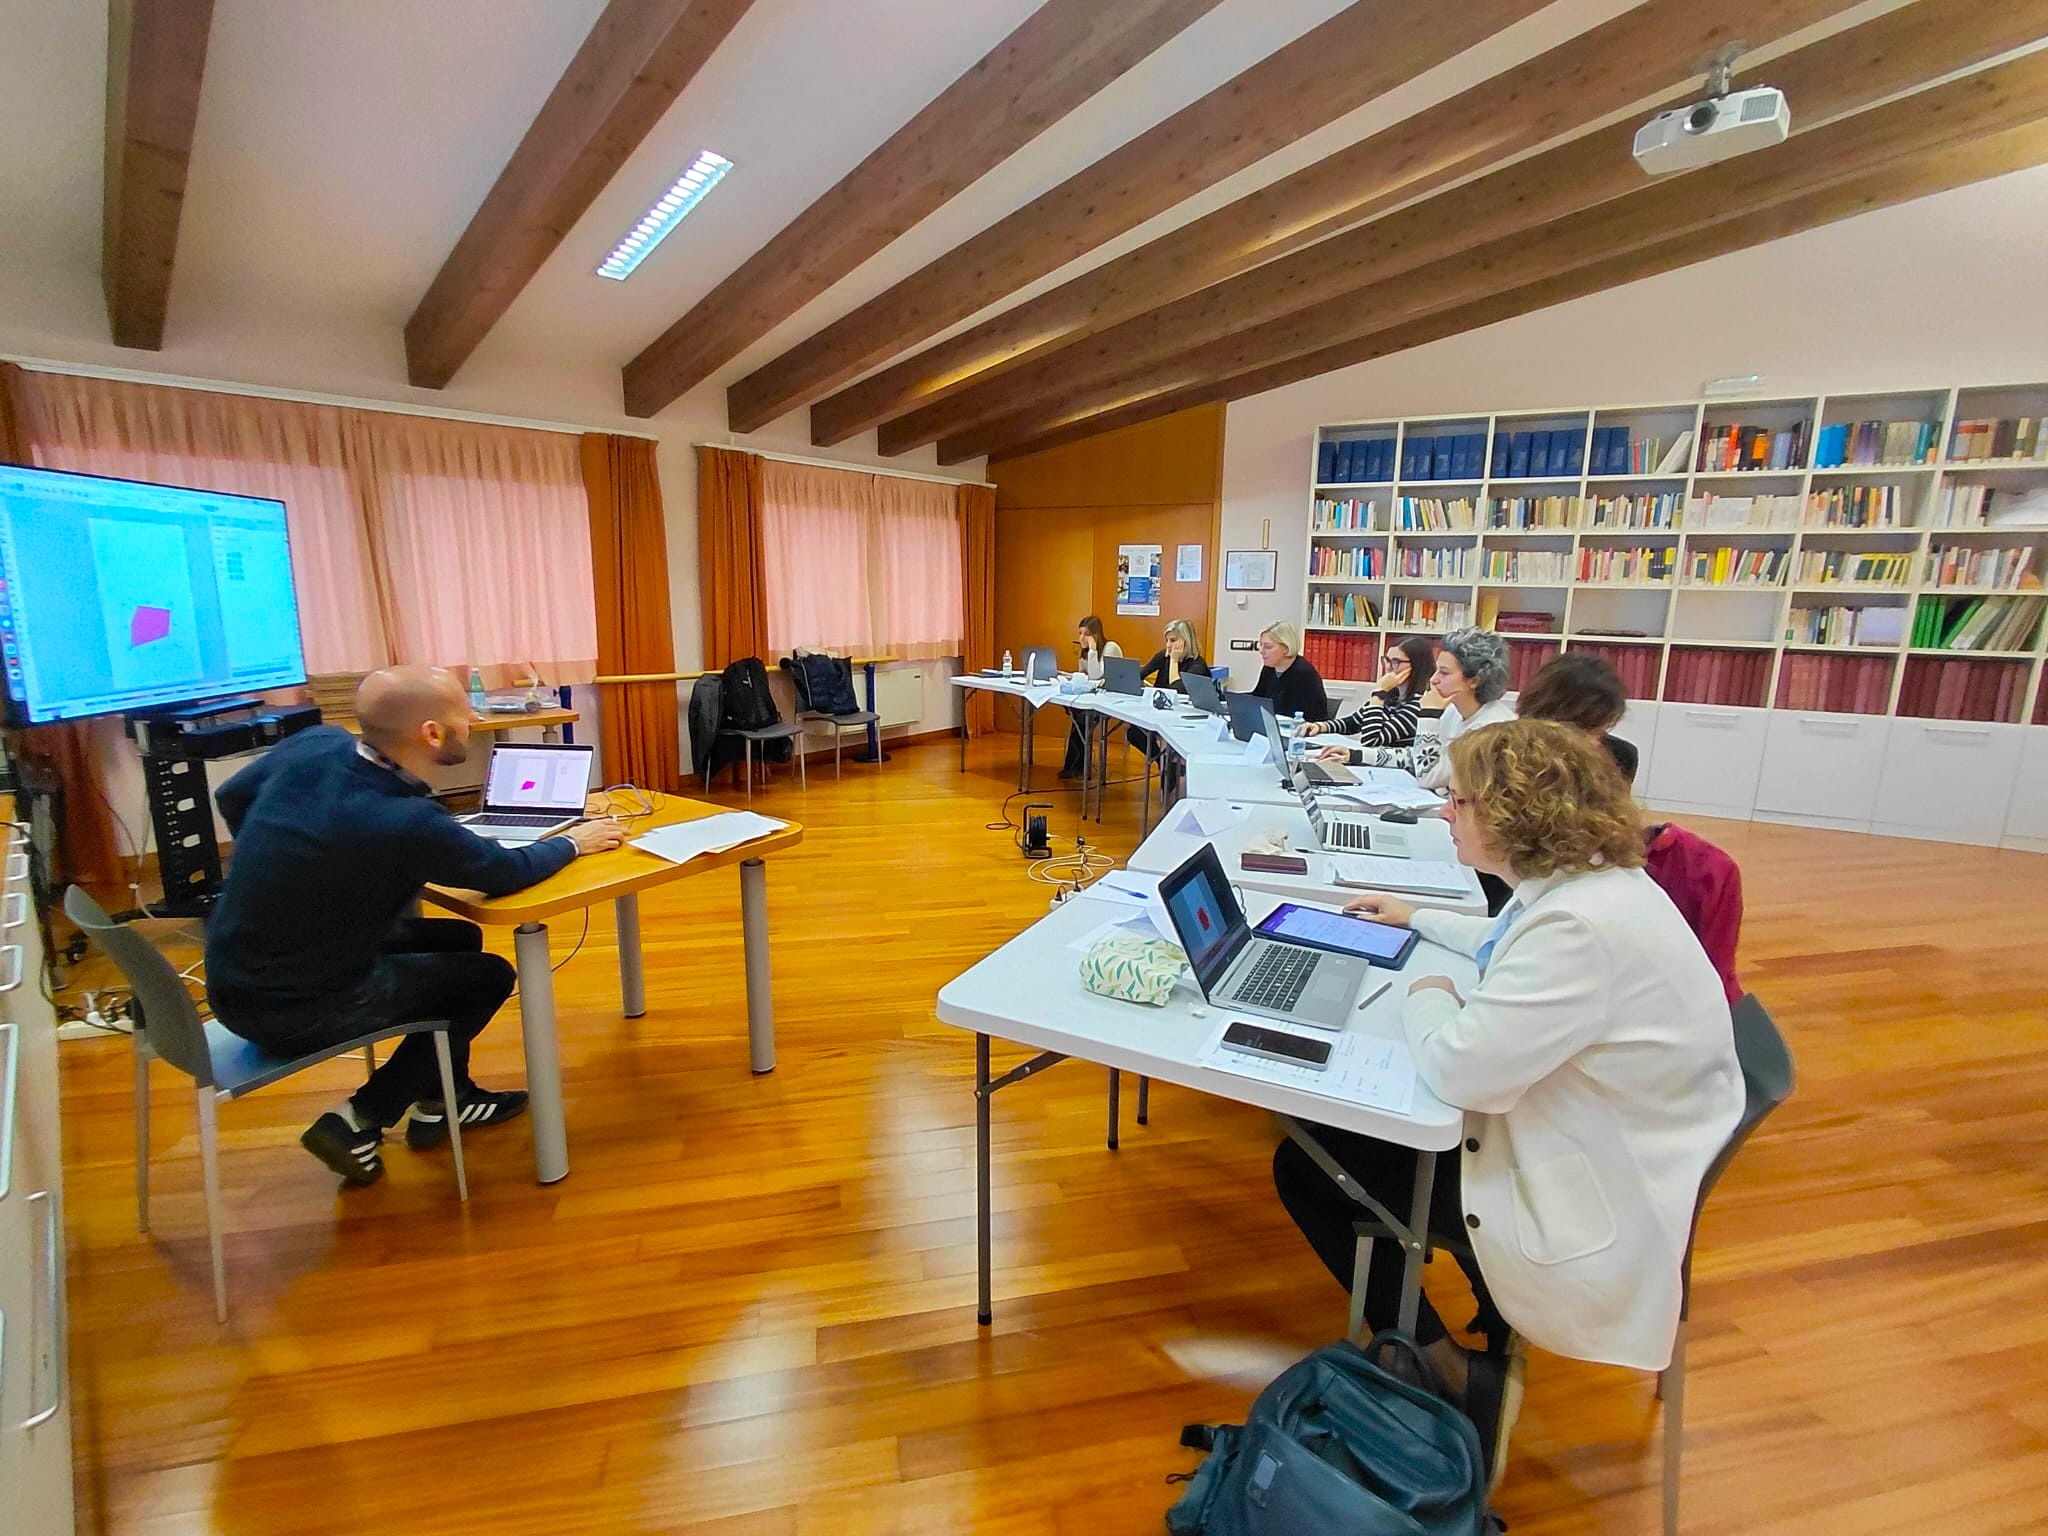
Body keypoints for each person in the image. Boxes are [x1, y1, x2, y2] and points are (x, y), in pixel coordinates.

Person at [1272, 720, 1743, 1482]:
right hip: (1604, 1136)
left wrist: (1426, 992)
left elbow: (1463, 1072)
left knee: (1309, 1163)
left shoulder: (1581, 928)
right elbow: (1504, 940)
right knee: (1342, 1138)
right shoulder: (1593, 888)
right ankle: (1472, 1331)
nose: (1445, 814)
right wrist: (1418, 918)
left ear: (1511, 815)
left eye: (1457, 802)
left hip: (1588, 1185)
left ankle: (1447, 1370)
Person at [204, 666, 626, 1186]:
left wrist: (300, 869)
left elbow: (233, 798)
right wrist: (572, 843)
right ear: (431, 733)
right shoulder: (401, 820)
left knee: (459, 940)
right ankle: (358, 1120)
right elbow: (503, 872)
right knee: (487, 977)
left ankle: (445, 1100)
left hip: (234, 972)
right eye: (463, 714)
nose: (472, 720)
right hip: (293, 1009)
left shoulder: (316, 744)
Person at [1317, 627, 1510, 790]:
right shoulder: (1454, 711)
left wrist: (1428, 715)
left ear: (1475, 680)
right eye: (1436, 671)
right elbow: (1416, 755)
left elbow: (1429, 776)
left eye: (1444, 673)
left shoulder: (1491, 728)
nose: (1434, 679)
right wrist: (1355, 755)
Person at [1513, 653, 1638, 783]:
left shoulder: (1620, 757)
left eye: (1599, 729)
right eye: (1581, 728)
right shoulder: (1506, 755)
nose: (1593, 742)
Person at [1297, 635, 1434, 749]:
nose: (1387, 667)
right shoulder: (1393, 697)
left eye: (1395, 662)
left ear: (1416, 666)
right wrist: (1320, 726)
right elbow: (1354, 722)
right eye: (1386, 660)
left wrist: (1379, 695)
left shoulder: (1419, 704)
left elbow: (1370, 742)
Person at [1125, 620, 1211, 786]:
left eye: (1173, 641)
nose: (1168, 645)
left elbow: (1177, 689)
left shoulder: (1197, 665)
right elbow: (1140, 674)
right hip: (1159, 714)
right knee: (1134, 732)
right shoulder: (1162, 656)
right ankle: (1163, 761)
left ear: (1185, 641)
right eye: (1167, 640)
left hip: (1185, 720)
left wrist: (1174, 661)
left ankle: (1171, 765)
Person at [1059, 615, 1124, 779]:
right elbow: (1084, 676)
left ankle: (1075, 765)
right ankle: (1076, 765)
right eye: (1080, 633)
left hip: (1111, 699)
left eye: (1086, 634)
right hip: (1092, 697)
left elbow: (1096, 676)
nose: (1081, 638)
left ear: (1096, 635)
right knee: (1077, 717)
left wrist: (1093, 651)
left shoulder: (1110, 648)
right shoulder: (1085, 653)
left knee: (1081, 720)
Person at [1249, 620, 1329, 722]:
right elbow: (1257, 697)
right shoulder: (1269, 668)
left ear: (1286, 649)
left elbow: (1292, 714)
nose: (1261, 651)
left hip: (1305, 731)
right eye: (1260, 645)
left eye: (1268, 647)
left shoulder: (1303, 674)